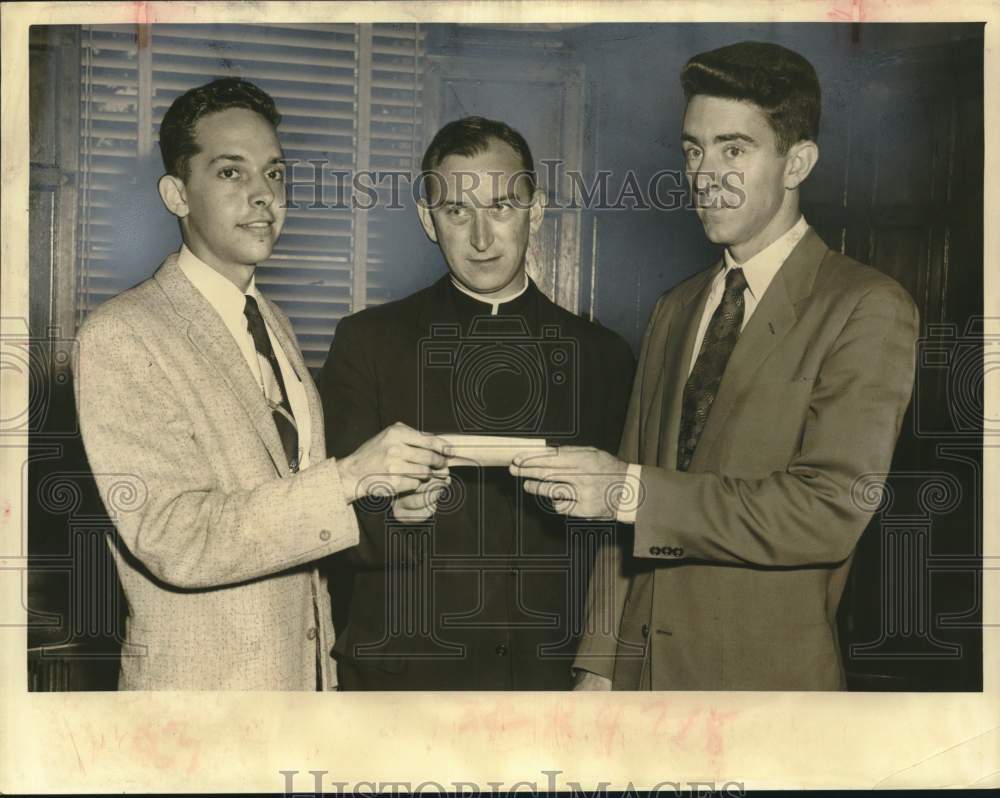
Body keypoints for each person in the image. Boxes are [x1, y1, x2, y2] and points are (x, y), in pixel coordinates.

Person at [510, 42, 920, 690]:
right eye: (694, 150)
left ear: (798, 161)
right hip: (644, 686)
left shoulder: (865, 307)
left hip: (765, 693)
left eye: (734, 149)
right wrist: (598, 666)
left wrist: (626, 490)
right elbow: (630, 512)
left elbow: (828, 511)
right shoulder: (677, 308)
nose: (705, 174)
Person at [73, 78, 450, 690]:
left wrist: (381, 504)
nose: (262, 196)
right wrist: (348, 477)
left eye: (274, 175)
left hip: (299, 691)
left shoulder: (270, 322)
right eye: (230, 173)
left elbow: (291, 506)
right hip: (201, 702)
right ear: (176, 194)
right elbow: (174, 537)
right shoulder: (123, 335)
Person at [320, 116, 634, 690]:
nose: (482, 238)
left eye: (502, 208)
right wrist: (392, 514)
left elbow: (623, 539)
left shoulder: (605, 357)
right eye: (457, 212)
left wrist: (604, 668)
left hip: (549, 683)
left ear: (536, 211)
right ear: (427, 219)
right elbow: (324, 513)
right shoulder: (367, 343)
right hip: (403, 686)